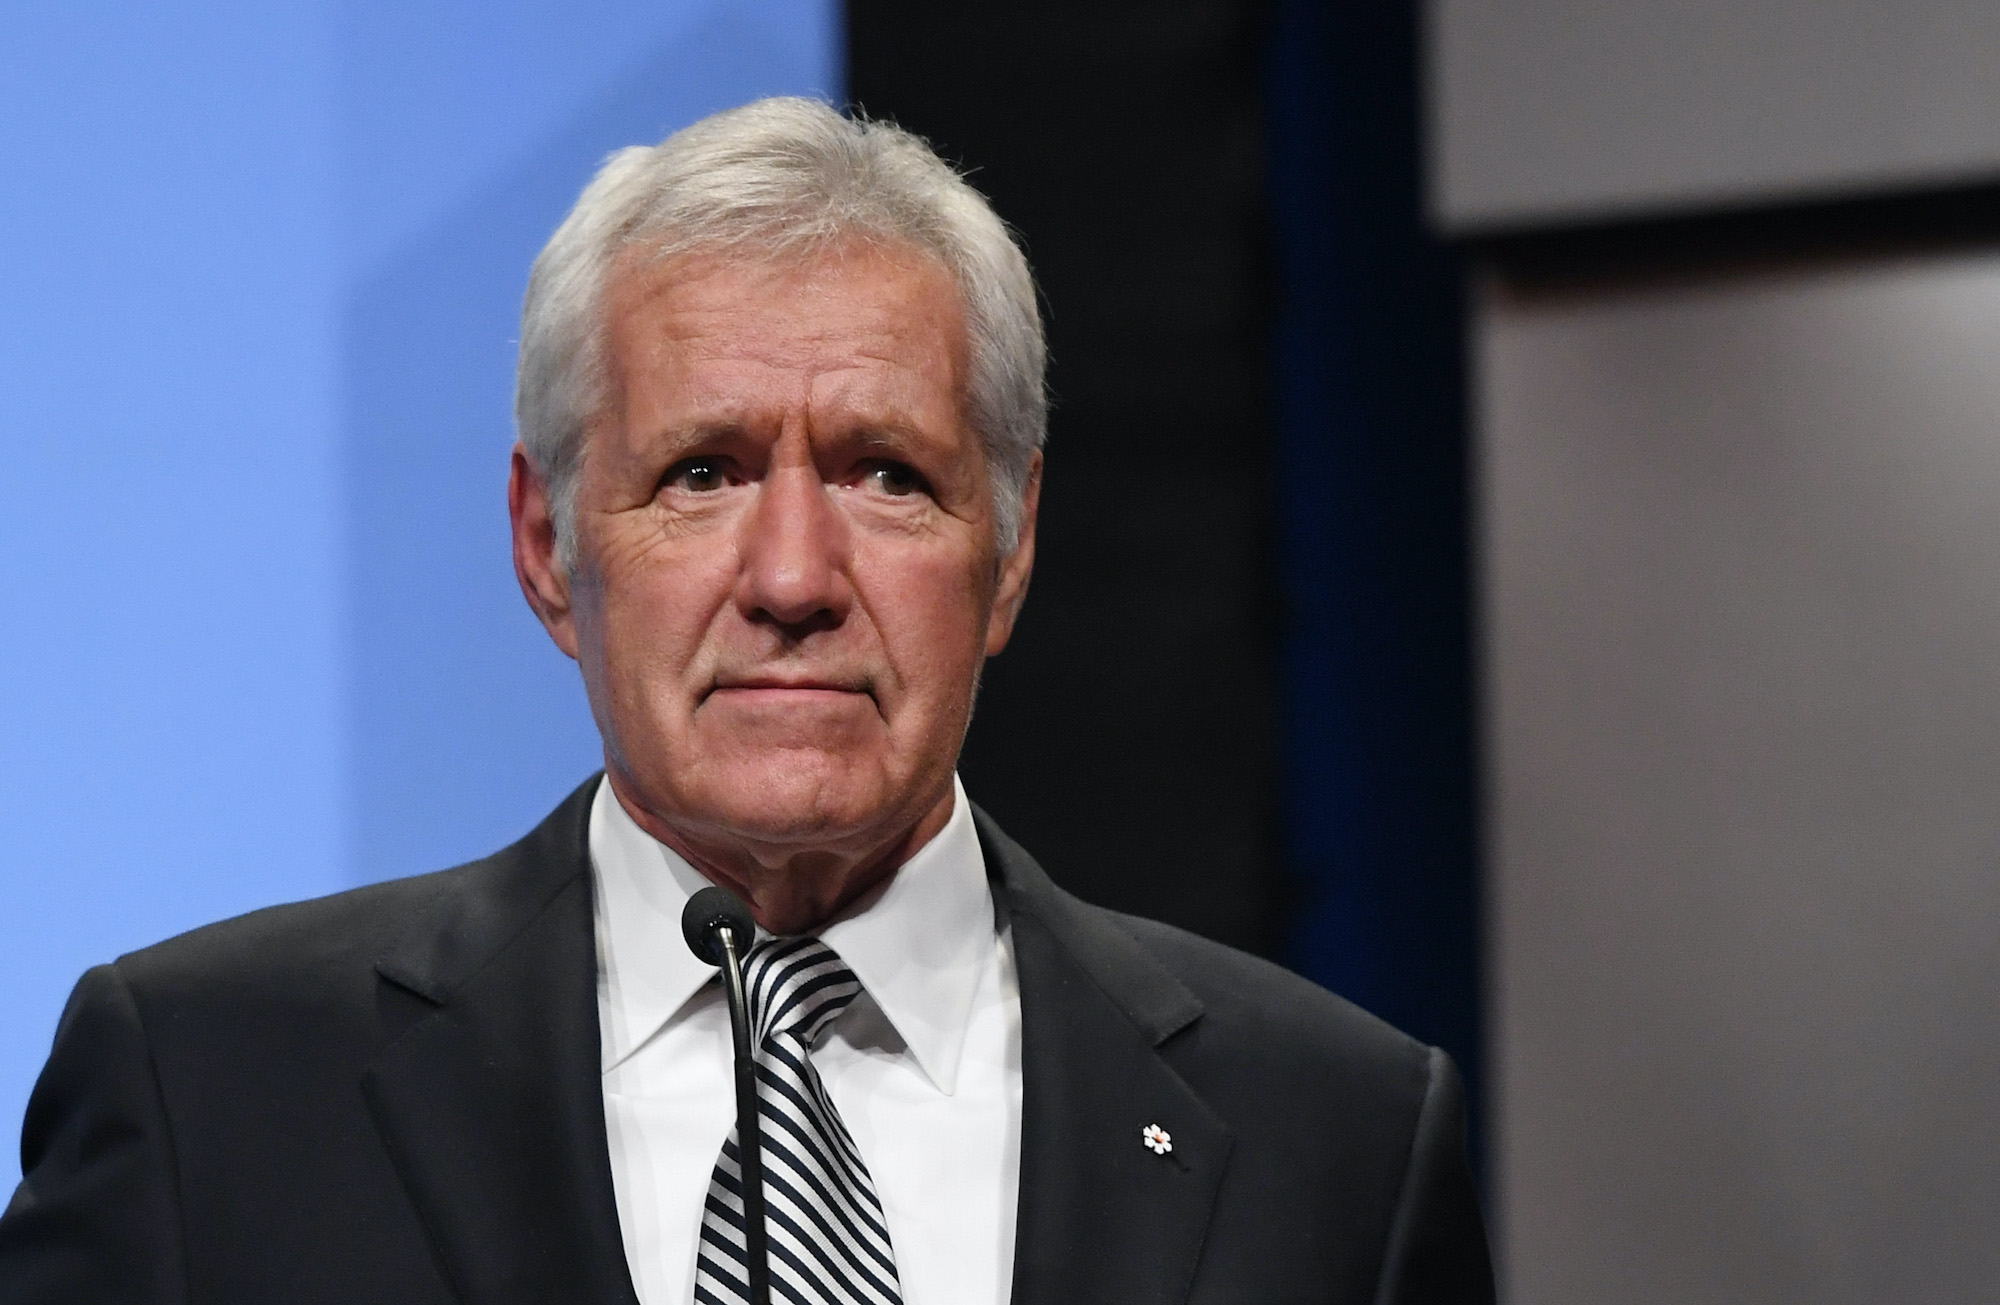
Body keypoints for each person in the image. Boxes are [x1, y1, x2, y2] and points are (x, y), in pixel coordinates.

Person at [0, 97, 1492, 1304]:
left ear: (1012, 546)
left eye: (886, 474)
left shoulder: (1337, 1134)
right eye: (700, 473)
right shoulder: (210, 1095)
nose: (792, 578)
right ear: (548, 545)